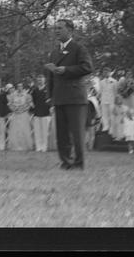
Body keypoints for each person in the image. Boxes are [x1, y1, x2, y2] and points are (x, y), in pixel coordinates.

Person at [45, 18, 93, 170]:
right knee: (62, 134)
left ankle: (79, 163)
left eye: (60, 28)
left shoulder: (79, 49)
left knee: (77, 133)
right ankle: (66, 162)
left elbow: (87, 67)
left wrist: (66, 70)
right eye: (55, 28)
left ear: (70, 30)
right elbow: (50, 76)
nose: (56, 31)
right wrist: (49, 95)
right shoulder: (54, 52)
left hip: (75, 97)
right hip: (59, 97)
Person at [7, 83, 34, 151]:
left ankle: (25, 145)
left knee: (24, 129)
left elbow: (29, 104)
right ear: (16, 87)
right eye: (18, 86)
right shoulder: (13, 95)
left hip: (24, 114)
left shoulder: (27, 95)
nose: (19, 87)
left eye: (21, 86)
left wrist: (23, 109)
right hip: (16, 114)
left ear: (22, 87)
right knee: (15, 129)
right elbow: (10, 104)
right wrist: (14, 109)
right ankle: (15, 145)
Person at [30, 74, 51, 152]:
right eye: (38, 80)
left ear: (44, 80)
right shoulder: (34, 90)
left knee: (45, 132)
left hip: (46, 114)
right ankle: (38, 147)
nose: (40, 81)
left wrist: (50, 106)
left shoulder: (48, 90)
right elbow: (32, 101)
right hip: (37, 114)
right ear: (37, 81)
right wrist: (32, 106)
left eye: (41, 79)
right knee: (37, 131)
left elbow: (51, 100)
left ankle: (44, 147)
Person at [98, 66, 118, 133]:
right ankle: (105, 127)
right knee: (104, 114)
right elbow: (100, 91)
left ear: (110, 73)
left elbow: (116, 92)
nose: (105, 73)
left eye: (107, 72)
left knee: (111, 114)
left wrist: (116, 101)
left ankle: (112, 128)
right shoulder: (101, 82)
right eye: (104, 72)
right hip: (104, 100)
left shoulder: (114, 81)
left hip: (111, 100)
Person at [85, 84, 101, 152]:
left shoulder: (92, 100)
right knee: (86, 134)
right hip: (85, 119)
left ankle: (90, 147)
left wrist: (95, 118)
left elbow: (95, 111)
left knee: (91, 134)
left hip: (90, 119)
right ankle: (86, 147)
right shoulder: (86, 100)